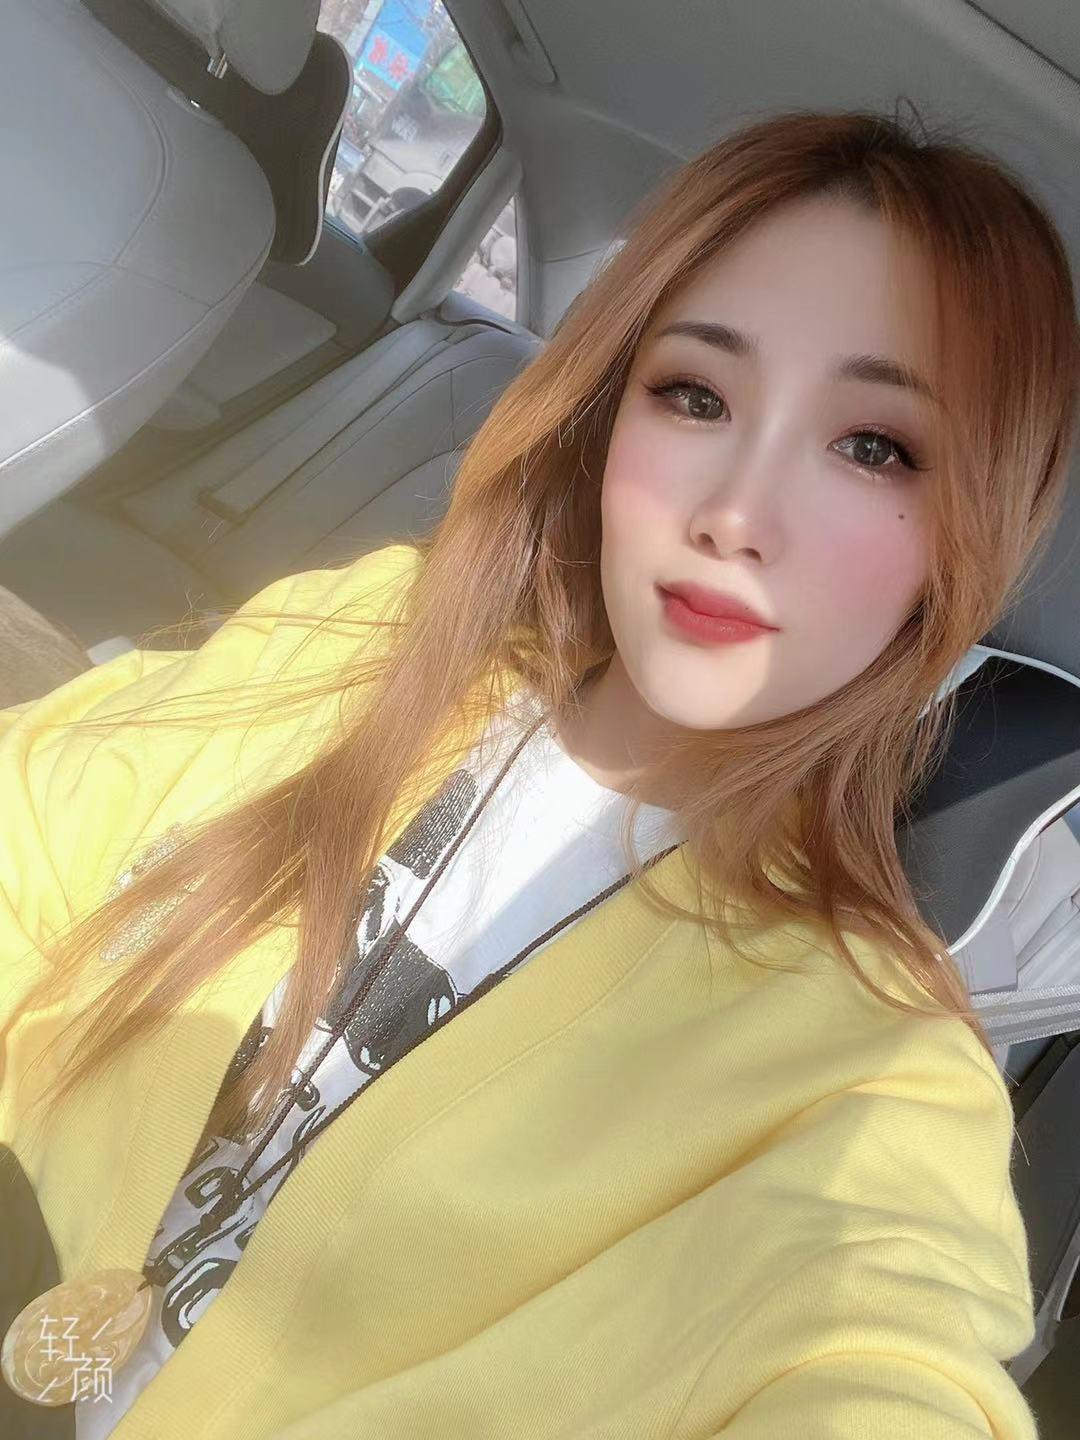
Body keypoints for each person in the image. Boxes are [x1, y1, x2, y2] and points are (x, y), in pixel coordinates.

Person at [1, 107, 1077, 1440]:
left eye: (875, 447)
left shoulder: (871, 1063)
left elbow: (883, 1349)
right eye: (695, 394)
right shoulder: (366, 640)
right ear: (609, 412)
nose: (735, 514)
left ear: (966, 534)